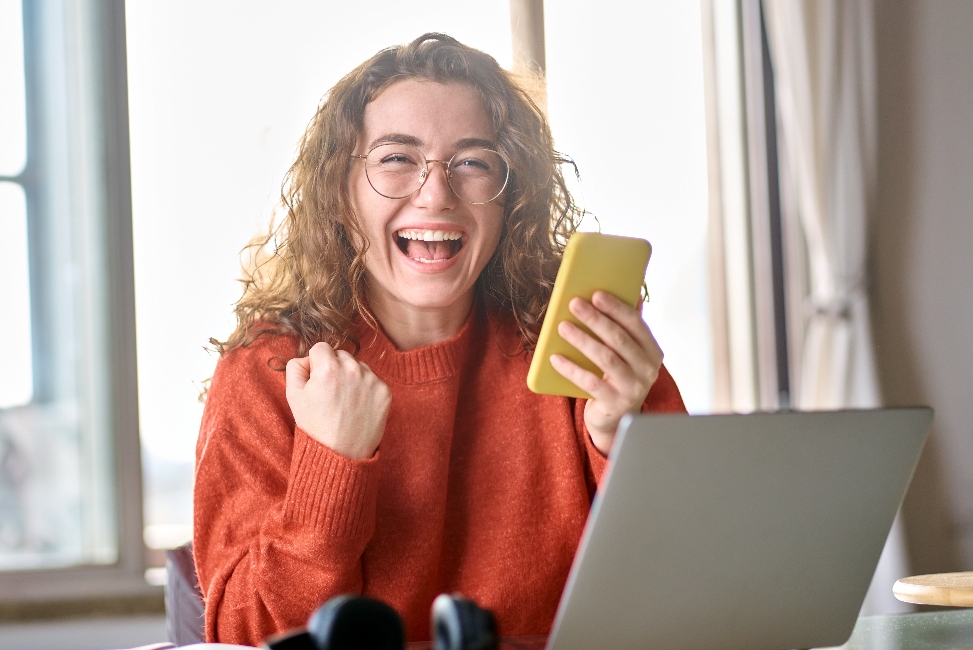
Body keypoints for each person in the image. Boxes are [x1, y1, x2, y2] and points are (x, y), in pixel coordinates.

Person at [193, 33, 686, 646]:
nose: (436, 194)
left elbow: (689, 596)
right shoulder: (269, 370)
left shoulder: (585, 348)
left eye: (473, 162)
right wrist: (330, 465)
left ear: (513, 197)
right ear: (340, 193)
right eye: (396, 159)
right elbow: (244, 637)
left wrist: (621, 442)